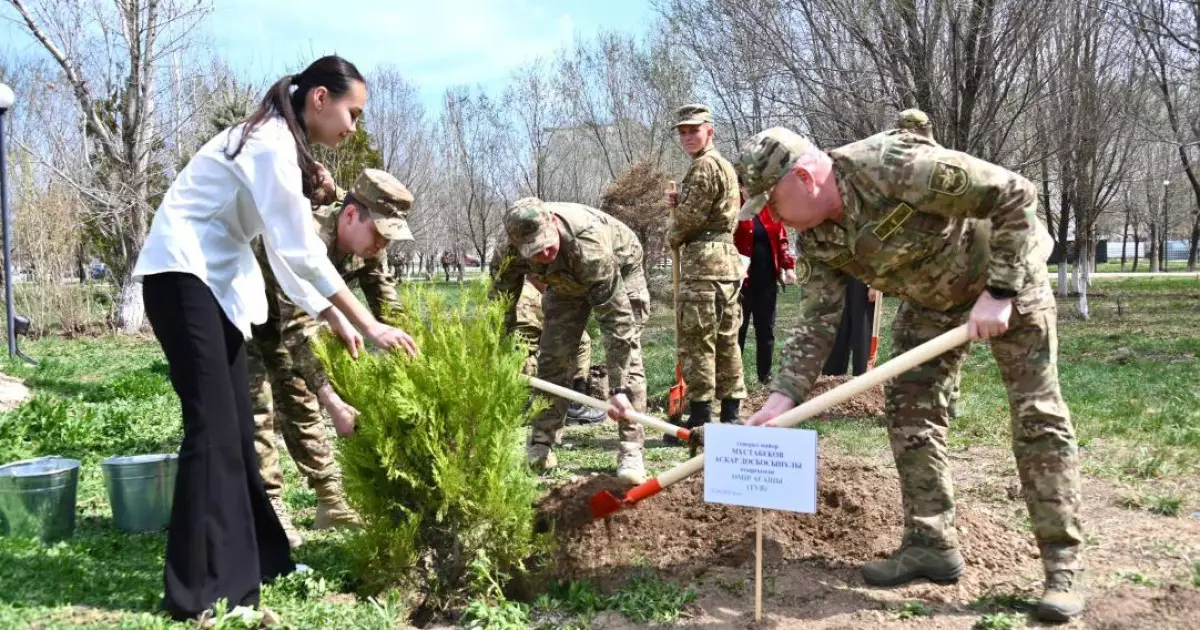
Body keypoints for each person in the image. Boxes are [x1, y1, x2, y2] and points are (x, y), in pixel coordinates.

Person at [733, 112, 1084, 622]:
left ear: (804, 180)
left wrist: (1000, 292)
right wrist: (782, 398)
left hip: (1008, 278)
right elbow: (816, 324)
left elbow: (1016, 194)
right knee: (909, 407)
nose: (774, 219)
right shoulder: (817, 239)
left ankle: (1063, 567)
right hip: (931, 303)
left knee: (1037, 416)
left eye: (774, 203)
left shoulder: (892, 165)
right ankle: (930, 543)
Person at [131, 56, 417, 622]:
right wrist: (366, 322)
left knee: (237, 427)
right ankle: (196, 595)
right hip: (181, 278)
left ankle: (263, 563)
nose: (352, 128)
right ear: (319, 98)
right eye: (351, 113)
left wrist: (329, 313)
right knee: (212, 431)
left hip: (213, 282)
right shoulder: (268, 143)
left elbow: (287, 257)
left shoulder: (280, 143)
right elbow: (299, 249)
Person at [250, 168, 414, 549]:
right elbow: (297, 332)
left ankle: (330, 501)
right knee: (257, 409)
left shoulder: (368, 246)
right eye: (379, 232)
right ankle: (270, 507)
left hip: (288, 321)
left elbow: (386, 307)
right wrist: (334, 402)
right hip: (243, 317)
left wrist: (413, 352)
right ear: (351, 215)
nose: (381, 245)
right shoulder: (302, 240)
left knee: (299, 394)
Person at [496, 198, 649, 484]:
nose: (543, 253)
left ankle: (630, 449)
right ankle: (542, 442)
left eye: (546, 244)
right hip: (565, 281)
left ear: (553, 222)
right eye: (534, 251)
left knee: (630, 359)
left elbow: (617, 325)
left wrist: (617, 388)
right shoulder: (508, 252)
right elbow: (500, 304)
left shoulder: (590, 246)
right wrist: (497, 352)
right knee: (554, 356)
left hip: (621, 264)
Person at [668, 103, 746, 431]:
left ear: (709, 130)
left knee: (698, 340)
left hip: (703, 266)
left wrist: (672, 234)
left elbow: (690, 218)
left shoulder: (704, 166)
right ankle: (731, 413)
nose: (687, 136)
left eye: (694, 130)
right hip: (727, 263)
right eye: (682, 131)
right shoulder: (725, 166)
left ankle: (700, 416)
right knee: (728, 338)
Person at [489, 250, 607, 424]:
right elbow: (522, 350)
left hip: (503, 373)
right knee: (580, 340)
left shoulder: (519, 289)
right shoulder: (530, 298)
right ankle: (574, 405)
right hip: (520, 374)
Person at [734, 189, 798, 385]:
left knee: (766, 330)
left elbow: (782, 239)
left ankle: (765, 374)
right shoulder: (734, 207)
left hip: (767, 281)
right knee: (738, 330)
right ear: (741, 185)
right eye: (748, 185)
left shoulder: (768, 209)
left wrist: (788, 267)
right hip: (741, 283)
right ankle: (734, 376)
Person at [821, 278, 875, 377]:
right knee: (837, 327)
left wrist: (875, 284)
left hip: (863, 277)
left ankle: (862, 378)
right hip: (839, 276)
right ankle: (831, 378)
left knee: (861, 331)